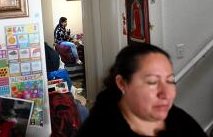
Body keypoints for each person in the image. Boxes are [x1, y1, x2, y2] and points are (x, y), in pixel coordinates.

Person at [75, 43, 208, 136]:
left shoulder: (180, 121)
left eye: (170, 80)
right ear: (122, 83)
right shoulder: (96, 129)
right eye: (152, 82)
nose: (166, 94)